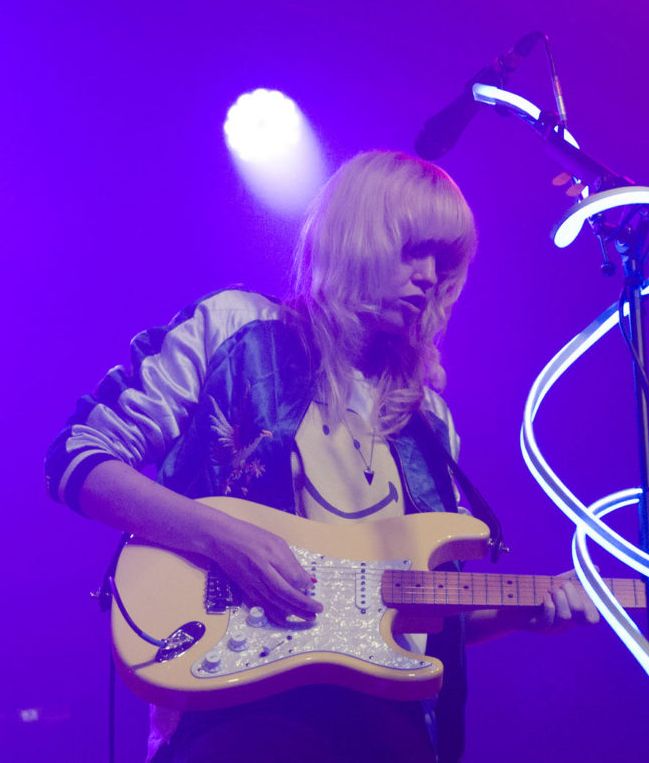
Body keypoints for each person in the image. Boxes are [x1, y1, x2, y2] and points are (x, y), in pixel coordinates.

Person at [44, 150, 598, 763]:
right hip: (234, 717)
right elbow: (78, 457)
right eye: (413, 248)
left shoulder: (431, 425)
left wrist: (524, 612)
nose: (427, 276)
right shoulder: (237, 330)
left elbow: (408, 616)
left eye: (443, 262)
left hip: (387, 737)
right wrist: (223, 538)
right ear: (357, 233)